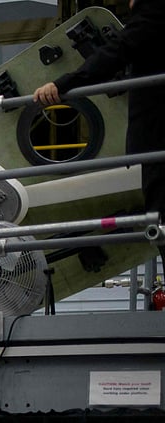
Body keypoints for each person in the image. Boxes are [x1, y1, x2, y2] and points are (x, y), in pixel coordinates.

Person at [33, 0, 165, 261]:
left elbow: (119, 50)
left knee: (161, 220)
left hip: (159, 137)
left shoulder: (155, 10)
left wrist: (64, 83)